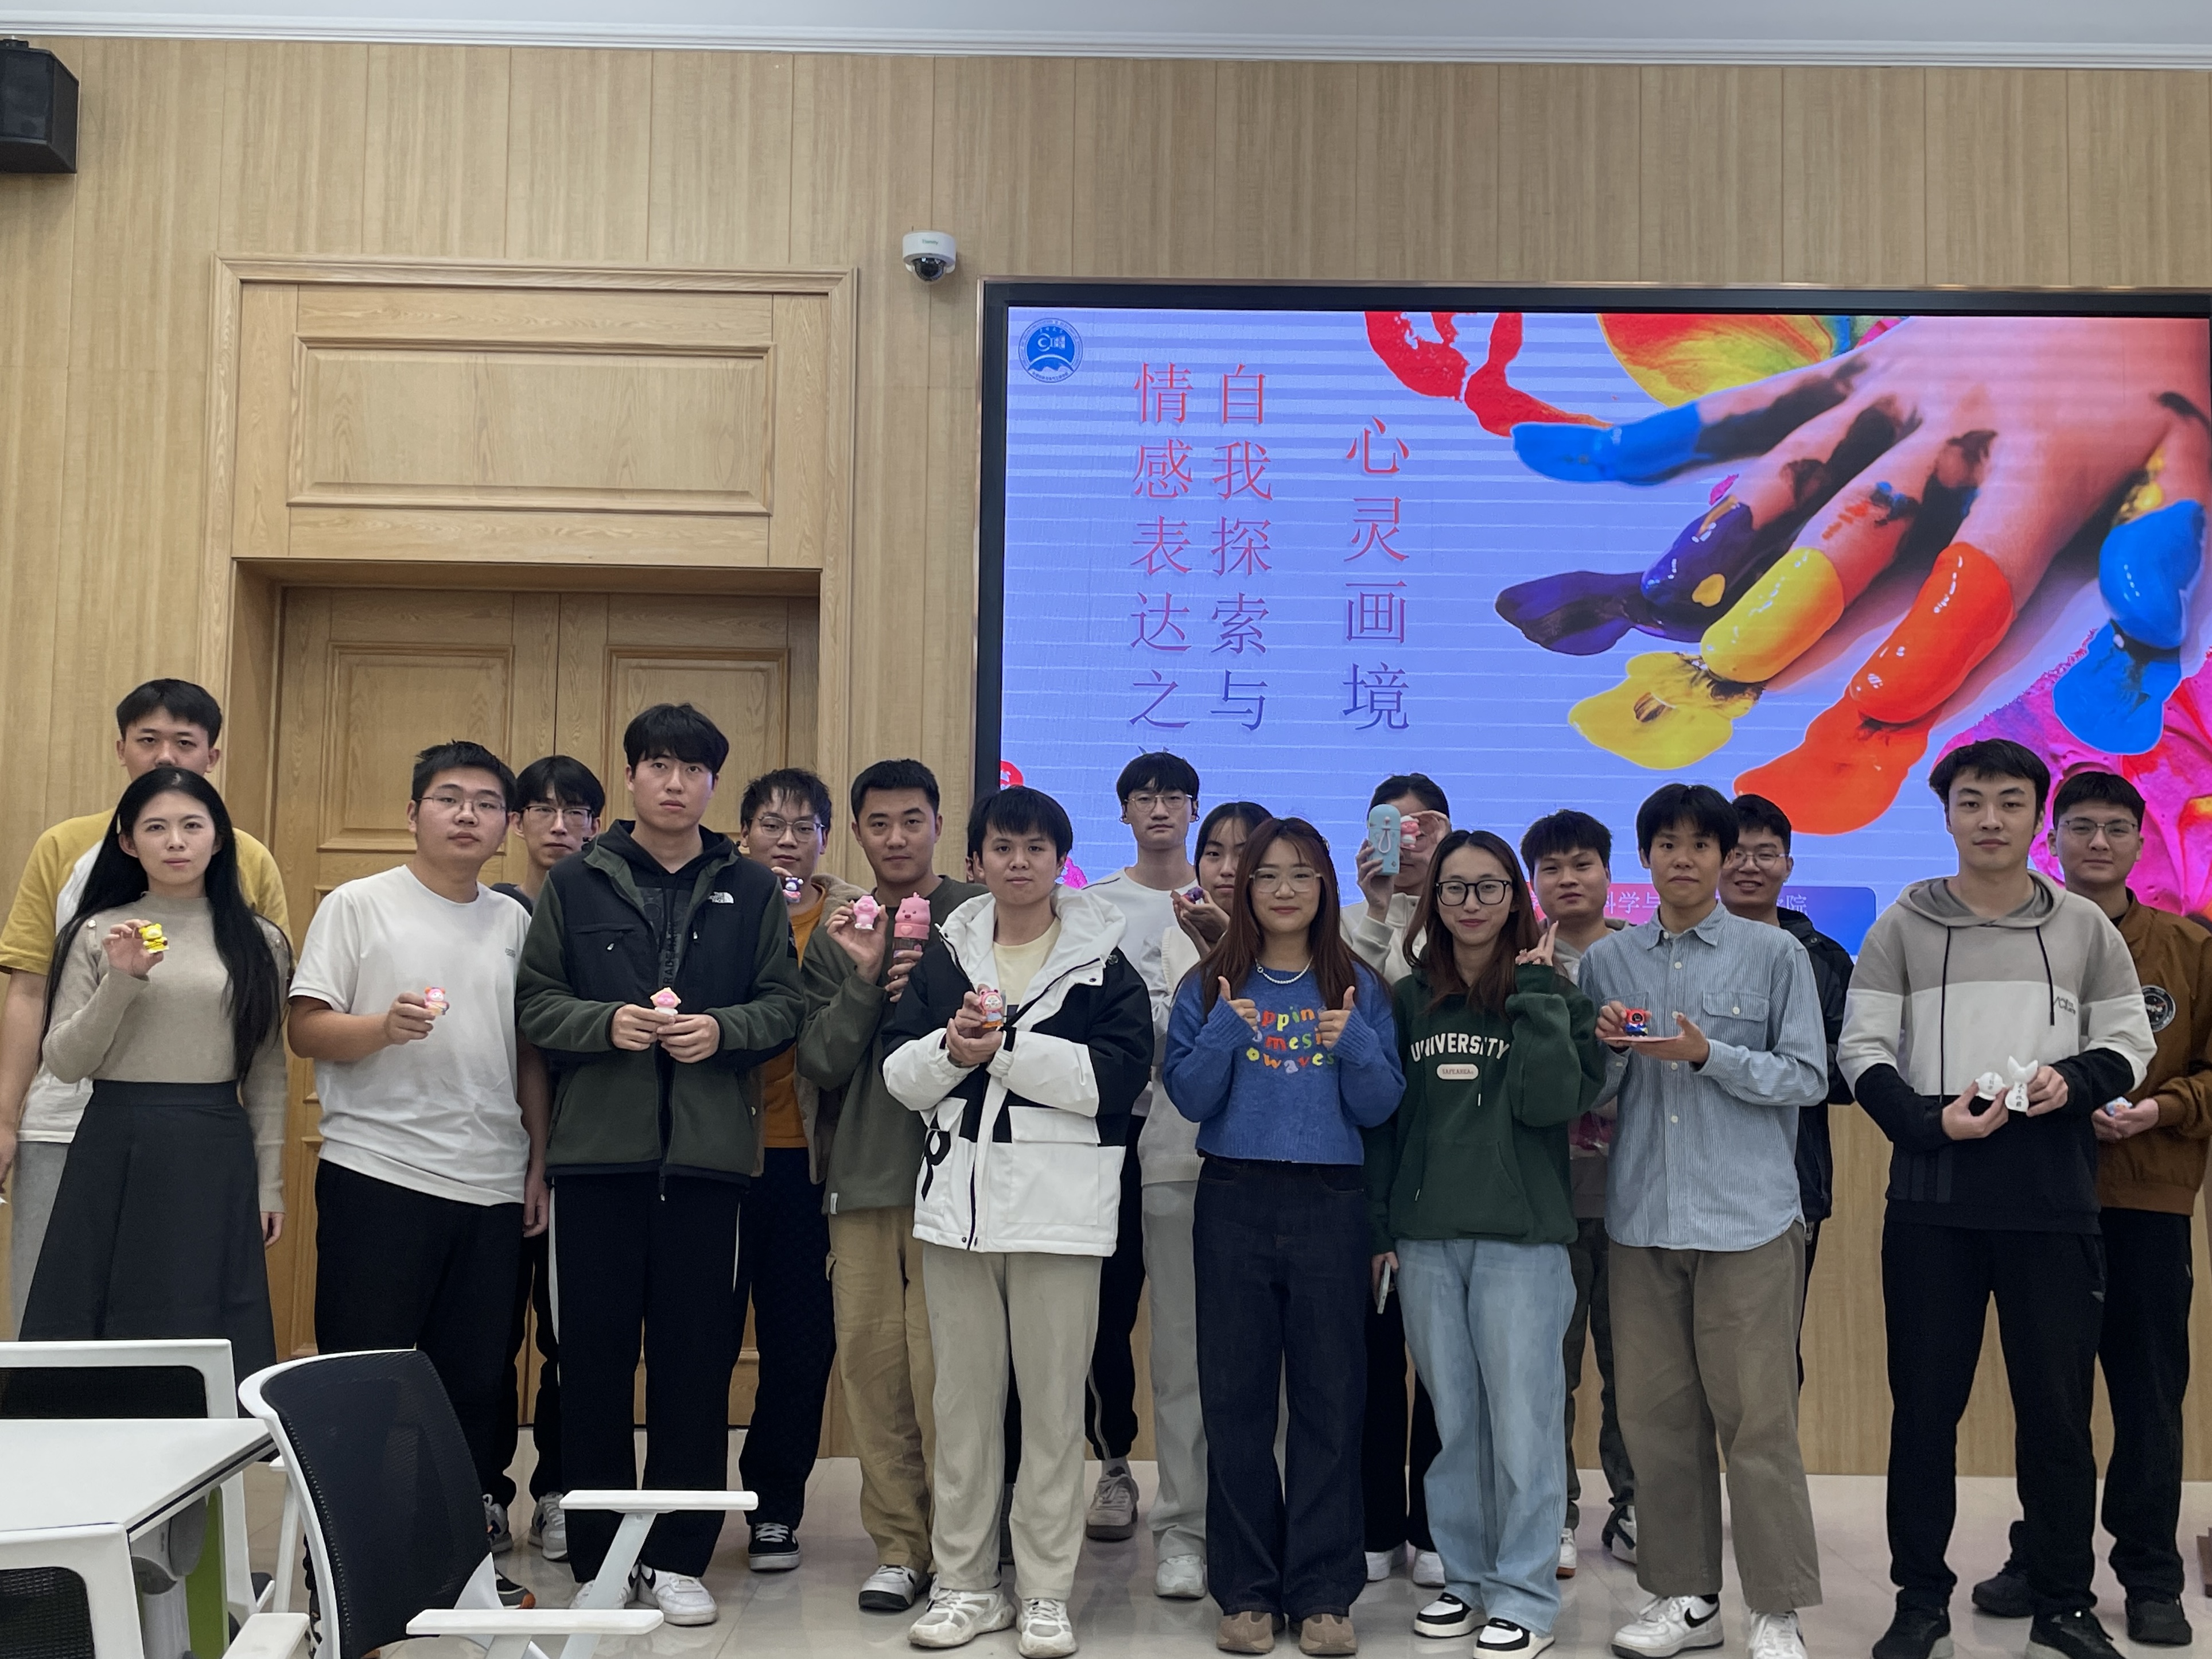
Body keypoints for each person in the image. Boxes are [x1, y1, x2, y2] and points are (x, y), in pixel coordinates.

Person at [1840, 740, 2155, 1659]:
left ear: (2034, 816)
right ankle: (1919, 1601)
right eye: (1970, 800)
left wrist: (2073, 1079)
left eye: (2009, 801)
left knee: (2055, 1415)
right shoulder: (1901, 922)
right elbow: (1861, 1047)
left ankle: (2062, 1603)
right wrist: (1926, 1119)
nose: (1988, 818)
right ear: (1944, 814)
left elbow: (2126, 1040)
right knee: (1922, 1412)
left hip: (2050, 1197)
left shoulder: (2081, 926)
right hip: (1931, 1198)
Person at [517, 703, 805, 1628]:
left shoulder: (751, 885)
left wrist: (722, 1029)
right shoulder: (576, 880)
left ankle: (680, 1555)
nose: (674, 783)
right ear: (632, 775)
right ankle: (602, 1559)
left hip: (711, 1165)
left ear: (714, 783)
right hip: (595, 1163)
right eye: (657, 765)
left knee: (695, 1365)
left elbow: (783, 1004)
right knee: (592, 1364)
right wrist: (604, 1023)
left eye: (692, 769)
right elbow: (534, 1002)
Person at [882, 785, 1151, 1658]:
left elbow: (1112, 1081)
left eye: (1037, 847)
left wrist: (1000, 1050)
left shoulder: (1103, 961)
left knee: (1051, 1413)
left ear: (1060, 861)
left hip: (1060, 1218)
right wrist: (949, 1048)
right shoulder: (947, 955)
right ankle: (965, 1584)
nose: (1019, 861)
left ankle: (1043, 1592)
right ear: (977, 861)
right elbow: (898, 1074)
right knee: (961, 1410)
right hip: (955, 1215)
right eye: (1002, 847)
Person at [1576, 783, 1827, 1659]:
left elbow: (1806, 1076)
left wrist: (1706, 1053)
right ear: (1644, 857)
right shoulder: (1607, 961)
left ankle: (1776, 1607)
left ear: (1724, 857)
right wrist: (1608, 1051)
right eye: (1665, 843)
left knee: (1757, 1421)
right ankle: (1684, 1596)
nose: (1681, 858)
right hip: (1642, 1217)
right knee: (1655, 1419)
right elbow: (1596, 1094)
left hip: (1747, 1219)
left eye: (1699, 844)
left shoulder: (1773, 953)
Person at [289, 740, 546, 1581]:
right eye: (448, 797)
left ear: (506, 824)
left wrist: (536, 1162)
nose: (467, 814)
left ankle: (456, 1562)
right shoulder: (359, 904)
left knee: (474, 1380)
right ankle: (346, 1564)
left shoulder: (513, 921)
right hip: (379, 1170)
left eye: (486, 802)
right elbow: (305, 1027)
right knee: (362, 1378)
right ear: (412, 813)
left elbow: (528, 1055)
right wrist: (381, 1027)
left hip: (492, 1181)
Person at [1966, 770, 2212, 1648]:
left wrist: (2162, 1107)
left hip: (2145, 1196)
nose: (2096, 842)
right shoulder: (2013, 939)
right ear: (2051, 838)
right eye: (2079, 826)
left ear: (2140, 841)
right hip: (2040, 1198)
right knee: (2049, 1396)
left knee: (2146, 1393)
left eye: (2114, 826)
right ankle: (2043, 1556)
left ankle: (2148, 1574)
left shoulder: (2187, 947)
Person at [1165, 816, 1405, 1659]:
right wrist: (1225, 1034)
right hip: (1233, 1194)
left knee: (1330, 1399)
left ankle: (1323, 1591)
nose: (1282, 889)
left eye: (1301, 874)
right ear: (1245, 889)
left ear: (1325, 886)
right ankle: (1246, 1590)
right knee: (1234, 1400)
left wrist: (1360, 1046)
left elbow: (1379, 1105)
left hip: (1330, 1200)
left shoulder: (1358, 985)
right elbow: (1190, 1098)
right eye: (1266, 874)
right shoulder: (1208, 984)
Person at [1368, 830, 1603, 1659]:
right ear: (1432, 899)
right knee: (1457, 1423)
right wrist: (1382, 1227)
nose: (1471, 903)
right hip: (1428, 1239)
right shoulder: (1407, 999)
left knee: (1524, 1426)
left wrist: (1536, 994)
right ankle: (1465, 1579)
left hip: (1523, 1242)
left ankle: (1526, 1595)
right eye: (1454, 888)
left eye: (1489, 886)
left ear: (1514, 897)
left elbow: (1552, 1102)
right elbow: (1388, 1124)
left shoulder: (1554, 993)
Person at [0, 679, 288, 1331]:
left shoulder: (258, 936)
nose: (176, 841)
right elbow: (44, 1020)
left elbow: (269, 1062)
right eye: (156, 828)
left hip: (213, 1137)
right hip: (98, 1126)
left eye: (192, 827)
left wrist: (271, 1179)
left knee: (202, 1312)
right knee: (81, 1309)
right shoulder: (96, 920)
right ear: (128, 841)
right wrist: (122, 980)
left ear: (219, 838)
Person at [798, 757, 984, 1614]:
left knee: (954, 1376)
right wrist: (867, 978)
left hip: (965, 1178)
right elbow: (820, 1059)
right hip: (865, 1179)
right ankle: (901, 1547)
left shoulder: (977, 915)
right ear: (857, 833)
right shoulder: (843, 929)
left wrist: (936, 993)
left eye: (913, 820)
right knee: (875, 1375)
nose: (897, 837)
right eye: (879, 823)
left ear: (939, 824)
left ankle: (963, 1549)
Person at [1141, 799, 1270, 1602]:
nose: (1225, 866)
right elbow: (1174, 1057)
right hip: (1178, 1164)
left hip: (1273, 1173)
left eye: (1244, 852)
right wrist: (1216, 952)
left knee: (1271, 1365)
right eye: (1213, 850)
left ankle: (1263, 1521)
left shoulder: (1308, 949)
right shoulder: (1171, 938)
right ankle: (1184, 1529)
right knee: (1182, 1360)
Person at [732, 766, 856, 1573]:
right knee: (699, 1341)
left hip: (810, 1165)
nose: (787, 839)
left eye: (804, 826)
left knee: (799, 1346)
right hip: (718, 1159)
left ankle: (775, 1506)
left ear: (824, 838)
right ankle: (679, 1506)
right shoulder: (714, 906)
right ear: (743, 834)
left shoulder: (855, 918)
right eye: (771, 824)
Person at [1078, 751, 1201, 1547]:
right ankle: (1115, 1463)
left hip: (1199, 1134)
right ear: (1123, 810)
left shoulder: (1223, 901)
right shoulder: (1094, 905)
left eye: (1173, 796)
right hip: (1113, 1132)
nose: (1159, 808)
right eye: (1144, 796)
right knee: (1107, 1307)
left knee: (1196, 1318)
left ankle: (1203, 1483)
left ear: (1194, 809)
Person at [487, 753, 605, 1565]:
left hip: (585, 1153)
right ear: (517, 822)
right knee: (488, 1333)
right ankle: (487, 1491)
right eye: (542, 809)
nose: (559, 826)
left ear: (597, 824)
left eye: (576, 811)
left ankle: (561, 1488)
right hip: (490, 1154)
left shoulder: (602, 909)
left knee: (573, 1335)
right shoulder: (490, 911)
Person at [1519, 809, 1635, 1577]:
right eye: (1552, 867)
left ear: (1607, 871)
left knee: (1635, 1369)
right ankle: (1553, 1512)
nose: (1568, 878)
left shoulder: (1642, 955)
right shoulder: (1520, 959)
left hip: (1634, 1199)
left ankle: (1633, 1507)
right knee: (1547, 1370)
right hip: (1547, 1201)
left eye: (1582, 863)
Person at [1343, 774, 1449, 1588]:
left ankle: (1434, 1523)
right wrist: (1379, 910)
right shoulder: (1346, 922)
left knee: (1445, 1364)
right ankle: (1377, 1521)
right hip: (1367, 1164)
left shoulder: (1465, 916)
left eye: (1423, 827)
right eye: (1393, 826)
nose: (1406, 842)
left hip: (1445, 1163)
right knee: (1375, 1358)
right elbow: (1367, 1019)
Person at [1719, 795, 1854, 1346]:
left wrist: (1755, 1060)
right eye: (1734, 852)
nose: (1749, 866)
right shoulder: (1672, 951)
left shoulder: (1824, 958)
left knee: (1773, 1353)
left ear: (1788, 865)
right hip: (1688, 1180)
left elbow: (1851, 1071)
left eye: (1765, 853)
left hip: (1792, 1182)